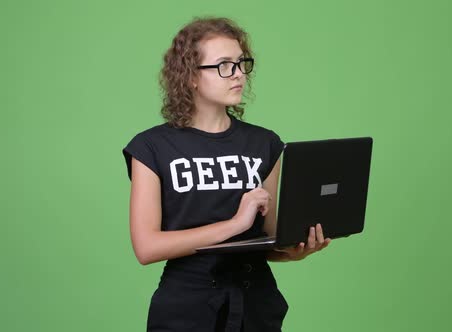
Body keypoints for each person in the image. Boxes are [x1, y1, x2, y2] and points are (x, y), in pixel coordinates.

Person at [122, 16, 331, 332]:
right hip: (187, 308)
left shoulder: (265, 143)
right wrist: (233, 224)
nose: (238, 75)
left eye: (241, 63)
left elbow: (268, 241)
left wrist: (295, 251)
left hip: (256, 305)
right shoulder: (151, 147)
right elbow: (147, 247)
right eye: (223, 65)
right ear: (191, 76)